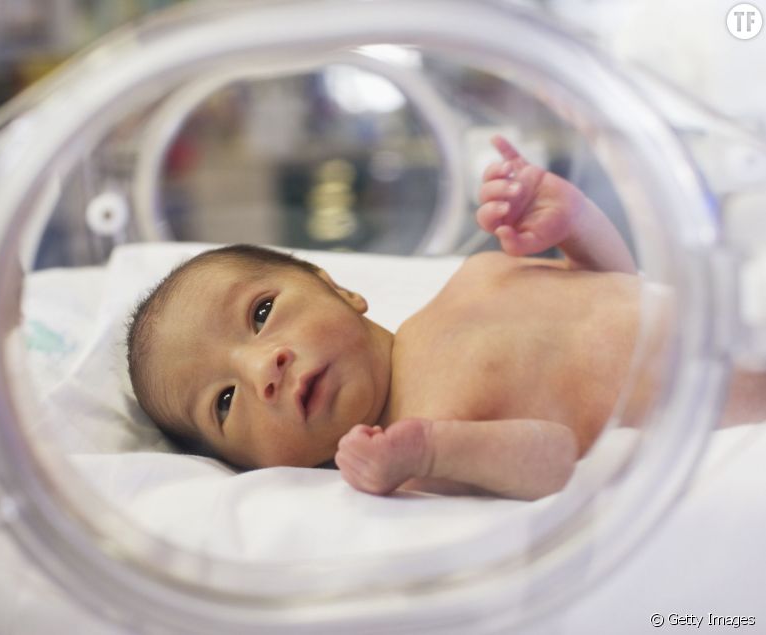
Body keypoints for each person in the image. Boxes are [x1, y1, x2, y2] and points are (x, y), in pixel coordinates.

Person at [124, 136, 765, 500]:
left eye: (261, 313)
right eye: (225, 402)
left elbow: (614, 286)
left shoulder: (473, 277)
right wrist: (429, 450)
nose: (263, 368)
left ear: (341, 288)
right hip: (731, 397)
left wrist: (573, 223)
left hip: (731, 312)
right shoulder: (417, 447)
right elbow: (556, 460)